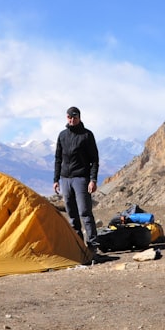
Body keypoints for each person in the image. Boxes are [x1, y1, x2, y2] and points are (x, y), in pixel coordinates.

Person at [53, 106, 100, 250]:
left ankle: (92, 246)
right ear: (66, 117)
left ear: (79, 117)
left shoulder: (86, 135)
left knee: (85, 212)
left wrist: (93, 180)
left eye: (74, 117)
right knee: (72, 214)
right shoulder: (62, 135)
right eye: (69, 117)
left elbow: (94, 160)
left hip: (81, 178)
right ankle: (78, 246)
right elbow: (58, 159)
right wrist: (56, 180)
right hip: (65, 179)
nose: (72, 120)